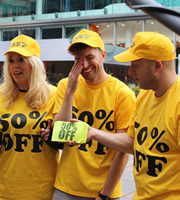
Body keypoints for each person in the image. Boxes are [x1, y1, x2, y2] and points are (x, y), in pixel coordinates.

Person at [84, 31, 180, 199]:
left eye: (135, 65)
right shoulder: (144, 95)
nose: (130, 72)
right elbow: (132, 142)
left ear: (157, 66)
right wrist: (93, 132)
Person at [47, 29, 136, 200]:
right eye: (78, 60)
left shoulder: (122, 93)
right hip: (66, 187)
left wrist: (104, 195)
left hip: (103, 189)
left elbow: (123, 149)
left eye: (89, 58)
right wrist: (70, 93)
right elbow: (59, 132)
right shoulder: (66, 85)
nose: (84, 65)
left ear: (102, 55)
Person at [0, 34, 60, 199]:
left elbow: (69, 140)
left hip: (42, 190)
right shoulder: (1, 95)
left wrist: (53, 135)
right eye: (11, 61)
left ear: (34, 64)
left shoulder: (53, 95)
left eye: (21, 60)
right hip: (5, 188)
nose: (15, 66)